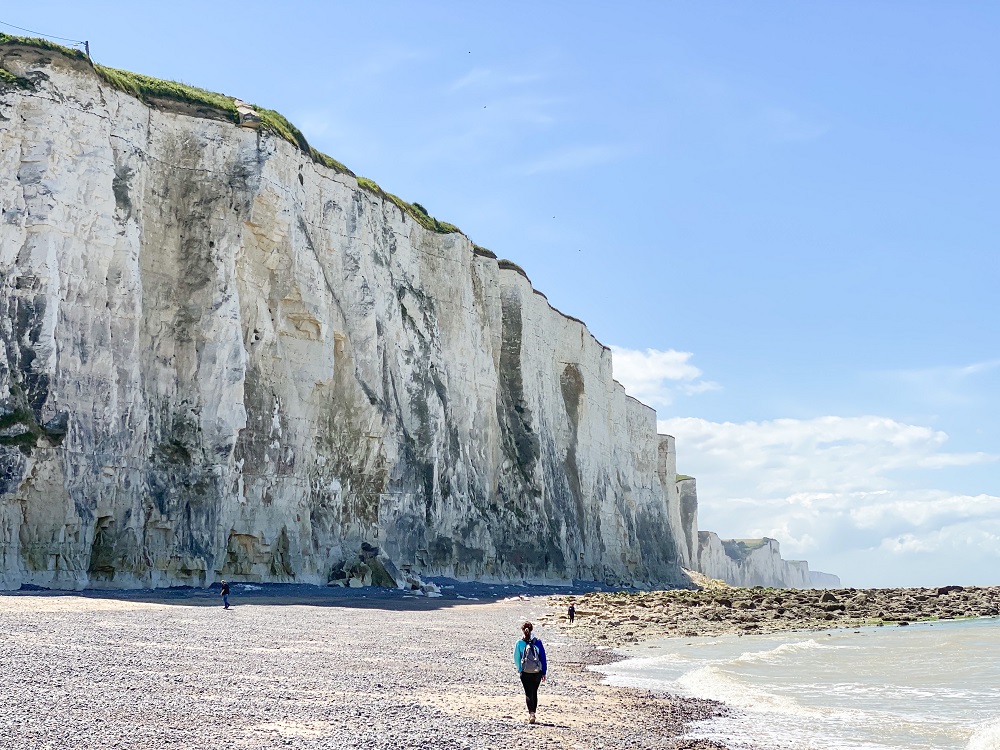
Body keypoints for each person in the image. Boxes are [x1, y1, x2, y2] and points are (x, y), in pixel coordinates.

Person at [513, 621, 547, 724]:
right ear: (531, 629)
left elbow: (516, 658)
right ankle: (534, 713)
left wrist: (520, 669)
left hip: (525, 671)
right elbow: (543, 658)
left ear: (523, 631)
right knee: (534, 692)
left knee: (528, 693)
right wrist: (544, 672)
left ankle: (531, 713)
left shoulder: (519, 643)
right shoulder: (538, 642)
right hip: (537, 672)